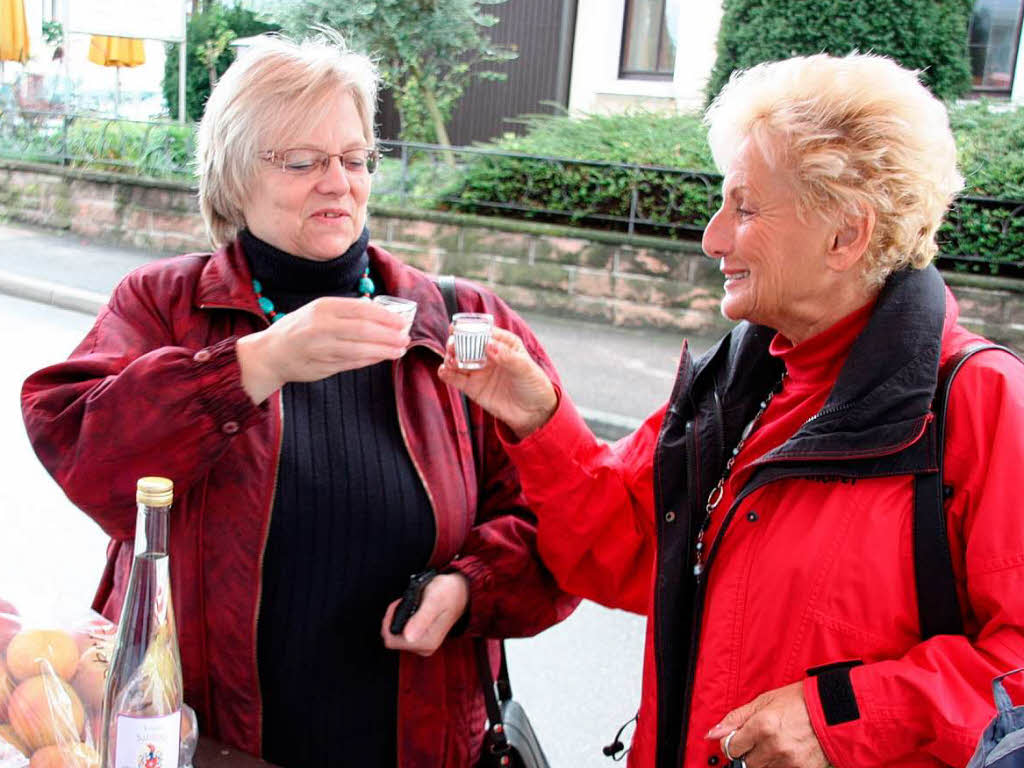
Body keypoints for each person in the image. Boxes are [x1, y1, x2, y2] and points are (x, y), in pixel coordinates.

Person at [439, 53, 1024, 768]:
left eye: (744, 208)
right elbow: (620, 550)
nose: (713, 237)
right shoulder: (740, 379)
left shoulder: (983, 403)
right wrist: (539, 419)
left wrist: (839, 714)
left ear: (846, 235)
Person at [21, 34, 576, 768]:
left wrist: (467, 588)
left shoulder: (460, 320)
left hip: (415, 742)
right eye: (302, 161)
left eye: (353, 158)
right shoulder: (165, 305)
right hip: (203, 739)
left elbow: (566, 516)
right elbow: (85, 454)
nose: (337, 182)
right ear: (233, 173)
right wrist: (251, 366)